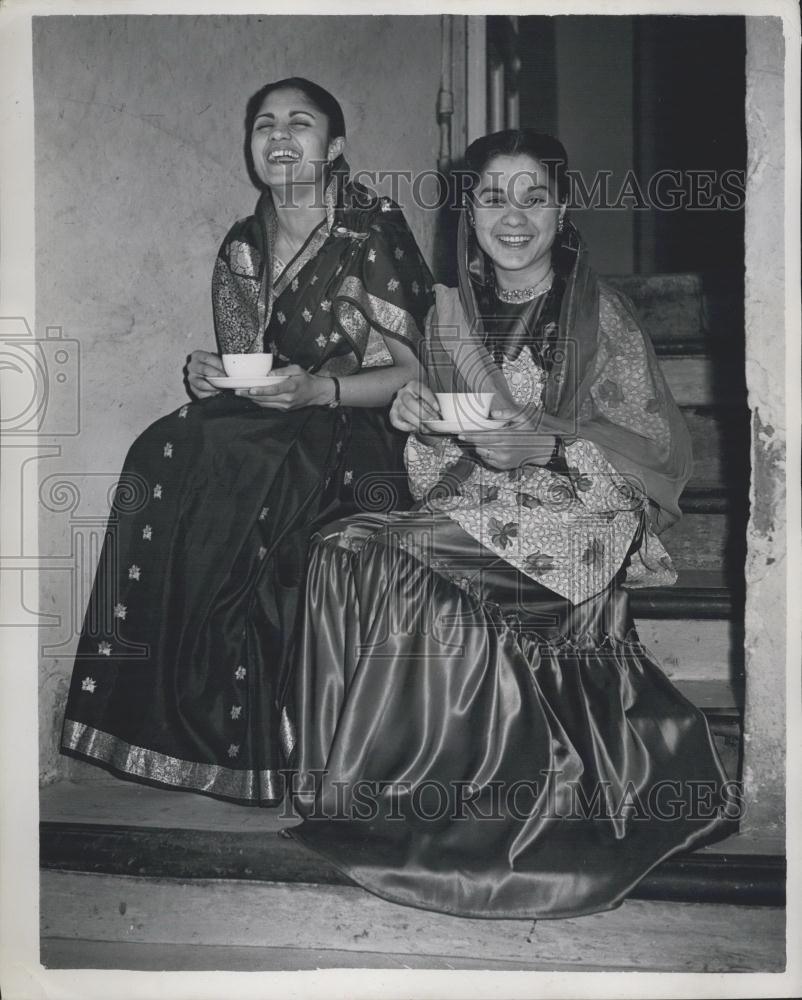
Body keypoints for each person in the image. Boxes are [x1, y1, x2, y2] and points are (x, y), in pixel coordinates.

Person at [286, 129, 733, 919]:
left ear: (562, 209)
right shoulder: (452, 318)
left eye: (534, 196)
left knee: (404, 558)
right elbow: (446, 468)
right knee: (340, 548)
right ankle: (367, 786)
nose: (513, 215)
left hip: (584, 514)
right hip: (486, 508)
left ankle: (431, 790)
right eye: (494, 197)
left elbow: (652, 452)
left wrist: (548, 445)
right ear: (470, 211)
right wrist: (422, 421)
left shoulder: (604, 315)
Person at [61, 78, 434, 805]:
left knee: (264, 483)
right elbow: (249, 370)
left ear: (335, 148)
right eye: (264, 125)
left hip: (360, 423)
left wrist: (320, 389)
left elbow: (410, 374)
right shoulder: (243, 245)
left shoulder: (372, 229)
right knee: (163, 449)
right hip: (276, 420)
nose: (280, 136)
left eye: (300, 123)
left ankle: (257, 733)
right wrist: (213, 377)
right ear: (251, 147)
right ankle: (169, 716)